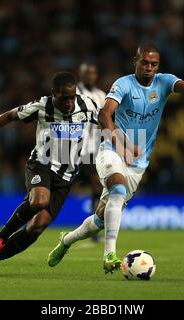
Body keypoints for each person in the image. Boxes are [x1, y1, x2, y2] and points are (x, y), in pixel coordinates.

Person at [48, 44, 184, 273]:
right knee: (117, 188)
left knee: (100, 220)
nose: (149, 68)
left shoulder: (164, 82)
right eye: (144, 63)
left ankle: (66, 240)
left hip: (138, 162)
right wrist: (120, 144)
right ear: (135, 62)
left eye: (153, 64)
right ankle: (109, 254)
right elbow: (104, 114)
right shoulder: (123, 84)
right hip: (112, 149)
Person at [0, 71, 99, 278]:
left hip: (66, 177)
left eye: (72, 97)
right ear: (53, 94)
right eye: (64, 97)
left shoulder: (88, 106)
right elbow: (9, 116)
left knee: (36, 227)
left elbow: (108, 118)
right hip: (41, 165)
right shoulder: (42, 106)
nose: (69, 102)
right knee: (39, 200)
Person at [76, 63, 106, 242]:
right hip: (74, 149)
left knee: (98, 186)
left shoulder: (101, 95)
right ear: (81, 74)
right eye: (88, 73)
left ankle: (94, 229)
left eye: (94, 72)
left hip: (93, 150)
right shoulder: (74, 93)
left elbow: (104, 119)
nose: (91, 76)